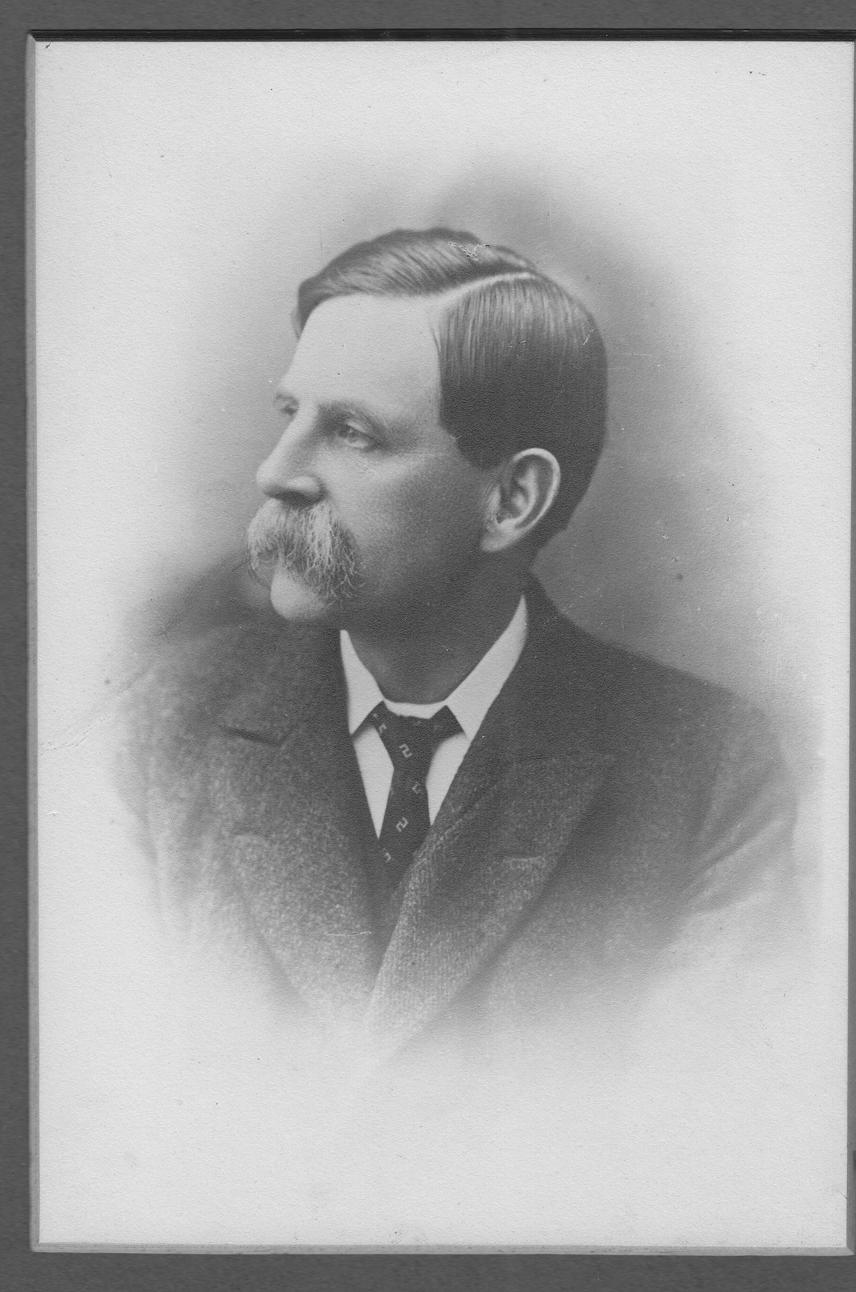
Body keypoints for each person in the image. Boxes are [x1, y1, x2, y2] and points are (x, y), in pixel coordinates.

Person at [118, 227, 798, 1081]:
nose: (277, 472)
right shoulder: (160, 727)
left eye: (353, 432)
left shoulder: (710, 772)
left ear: (511, 498)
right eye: (291, 416)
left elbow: (702, 1122)